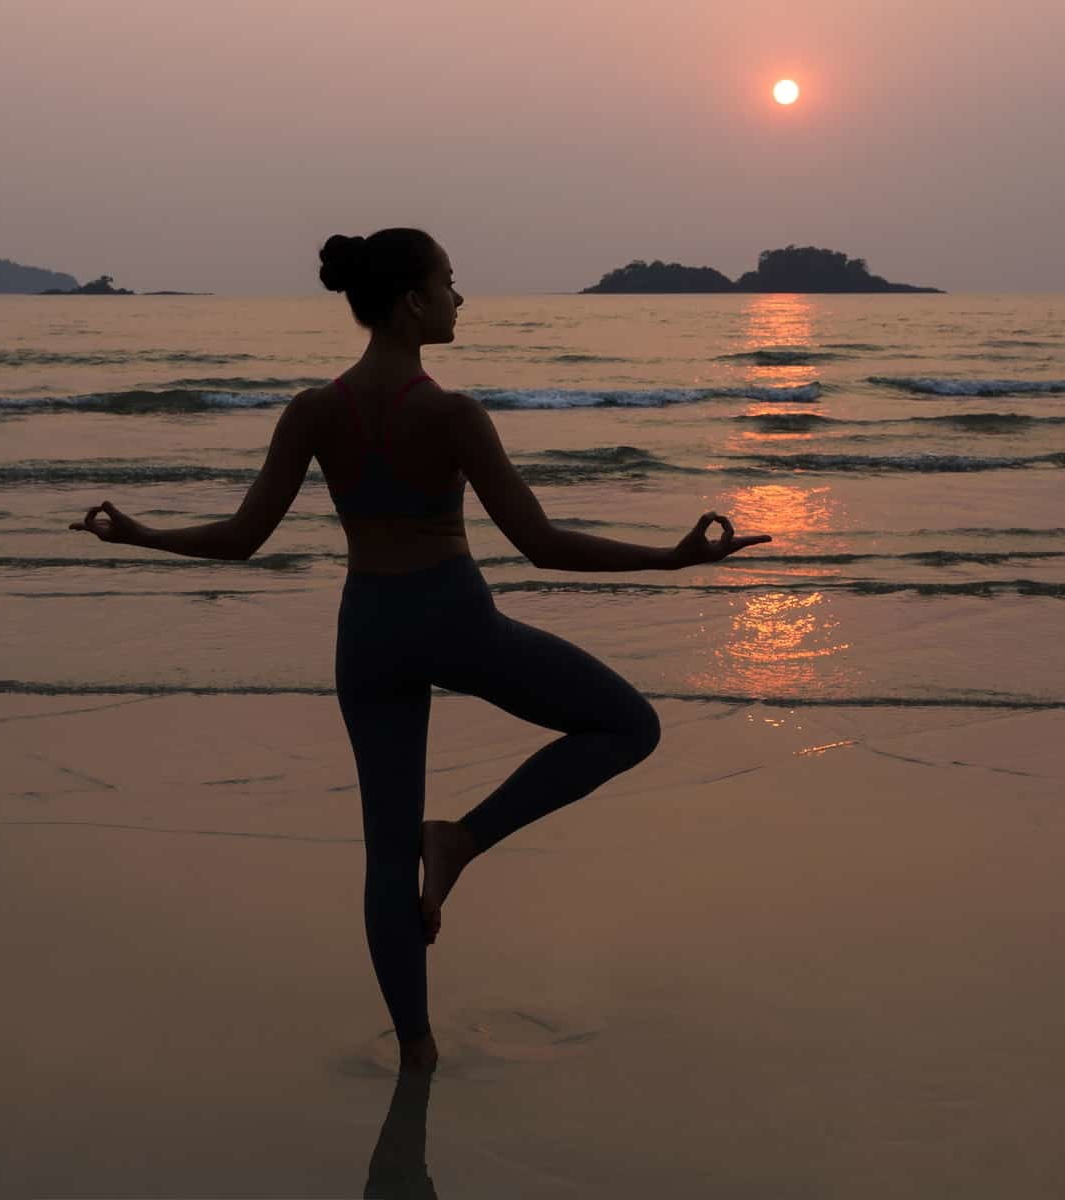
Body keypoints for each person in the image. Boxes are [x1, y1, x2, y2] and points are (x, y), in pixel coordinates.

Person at [71, 228, 771, 1073]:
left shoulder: (313, 410)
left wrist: (140, 535)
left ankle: (416, 1050)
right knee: (628, 726)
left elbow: (244, 538)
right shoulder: (452, 414)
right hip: (453, 620)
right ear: (412, 300)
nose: (459, 296)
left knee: (381, 853)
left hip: (367, 631)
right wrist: (671, 558)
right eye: (449, 280)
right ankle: (465, 841)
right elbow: (539, 543)